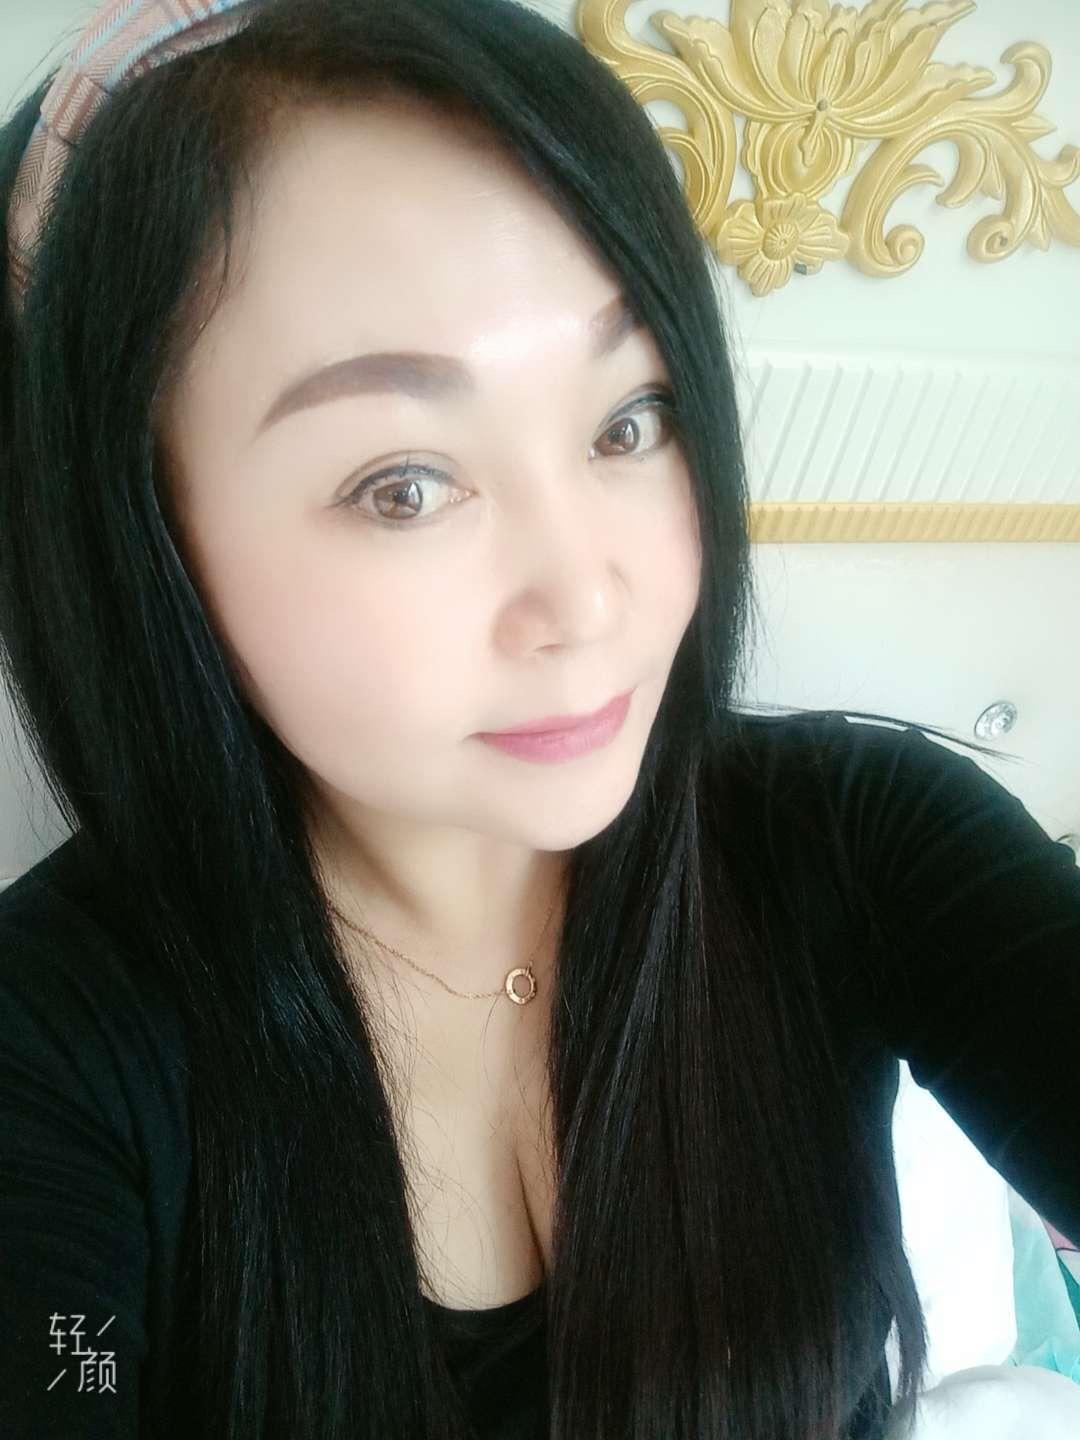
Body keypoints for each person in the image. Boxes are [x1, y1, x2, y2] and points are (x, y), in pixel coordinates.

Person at [0, 2, 1077, 1438]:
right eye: (403, 485)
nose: (586, 598)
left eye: (630, 421)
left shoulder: (859, 841)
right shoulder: (53, 1052)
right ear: (148, 539)